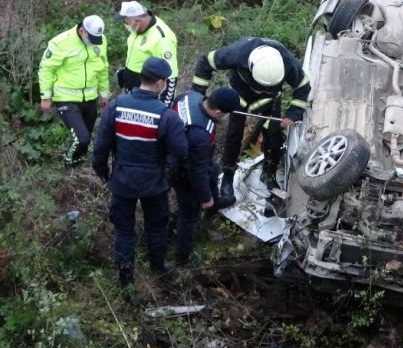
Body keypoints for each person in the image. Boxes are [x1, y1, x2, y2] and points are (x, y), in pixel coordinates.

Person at [92, 57, 188, 287]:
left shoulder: (116, 105)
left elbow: (101, 146)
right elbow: (182, 151)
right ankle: (158, 267)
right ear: (160, 83)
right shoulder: (166, 116)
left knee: (124, 230)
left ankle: (125, 277)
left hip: (122, 180)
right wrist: (169, 170)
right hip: (154, 183)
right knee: (156, 226)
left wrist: (104, 172)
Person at [191, 37, 310, 200]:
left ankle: (268, 174)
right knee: (234, 134)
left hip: (270, 100)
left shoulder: (286, 61)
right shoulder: (236, 54)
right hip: (239, 96)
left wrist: (293, 113)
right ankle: (228, 174)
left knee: (273, 134)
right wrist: (197, 96)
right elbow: (206, 62)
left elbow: (303, 85)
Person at [170, 87, 241, 266]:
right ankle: (182, 259)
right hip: (183, 170)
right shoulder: (200, 133)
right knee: (188, 216)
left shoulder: (190, 96)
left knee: (214, 168)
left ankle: (213, 204)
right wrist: (205, 198)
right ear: (217, 112)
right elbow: (196, 171)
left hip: (178, 152)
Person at [38, 15, 109, 168]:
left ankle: (78, 163)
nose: (93, 42)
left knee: (86, 136)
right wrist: (46, 96)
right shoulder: (61, 42)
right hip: (66, 97)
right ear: (82, 30)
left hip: (90, 97)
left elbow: (103, 68)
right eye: (90, 38)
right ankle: (68, 163)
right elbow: (46, 69)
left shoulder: (100, 40)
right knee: (82, 138)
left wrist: (104, 94)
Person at [113, 1, 179, 107]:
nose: (124, 25)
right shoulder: (137, 29)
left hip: (147, 97)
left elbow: (171, 76)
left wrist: (163, 107)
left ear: (137, 20)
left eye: (126, 22)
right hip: (131, 91)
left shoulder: (162, 38)